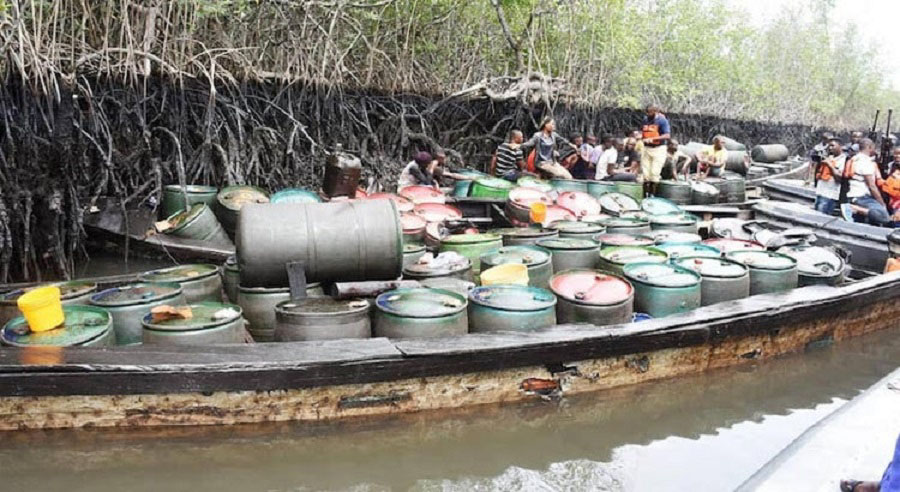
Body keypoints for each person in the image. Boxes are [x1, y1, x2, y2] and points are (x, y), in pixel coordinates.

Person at [839, 138, 892, 226]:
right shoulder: (865, 162)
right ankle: (853, 208)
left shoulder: (854, 158)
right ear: (869, 147)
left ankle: (856, 210)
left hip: (853, 194)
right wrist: (882, 203)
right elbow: (871, 186)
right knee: (884, 216)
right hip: (862, 197)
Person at [639, 104, 672, 196]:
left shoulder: (662, 121)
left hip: (658, 149)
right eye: (647, 112)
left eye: (650, 112)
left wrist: (653, 139)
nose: (648, 114)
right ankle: (644, 195)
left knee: (654, 173)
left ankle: (652, 195)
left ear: (655, 112)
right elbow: (644, 132)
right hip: (646, 148)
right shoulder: (645, 120)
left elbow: (667, 135)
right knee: (645, 174)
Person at [809, 138, 846, 216]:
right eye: (829, 146)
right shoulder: (828, 157)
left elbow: (840, 178)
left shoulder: (843, 160)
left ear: (840, 146)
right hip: (820, 191)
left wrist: (830, 165)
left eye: (833, 146)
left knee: (821, 217)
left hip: (830, 194)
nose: (830, 148)